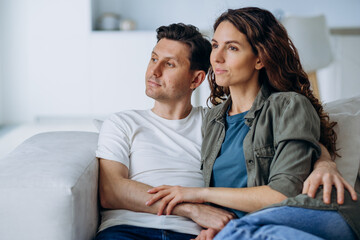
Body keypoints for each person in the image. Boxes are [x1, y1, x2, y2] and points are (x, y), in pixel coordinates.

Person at [96, 23, 356, 240]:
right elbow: (111, 190)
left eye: (170, 64)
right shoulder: (126, 122)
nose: (154, 71)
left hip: (211, 231)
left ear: (196, 80)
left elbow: (292, 144)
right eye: (153, 58)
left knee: (239, 232)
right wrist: (193, 210)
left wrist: (324, 162)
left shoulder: (221, 121)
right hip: (133, 229)